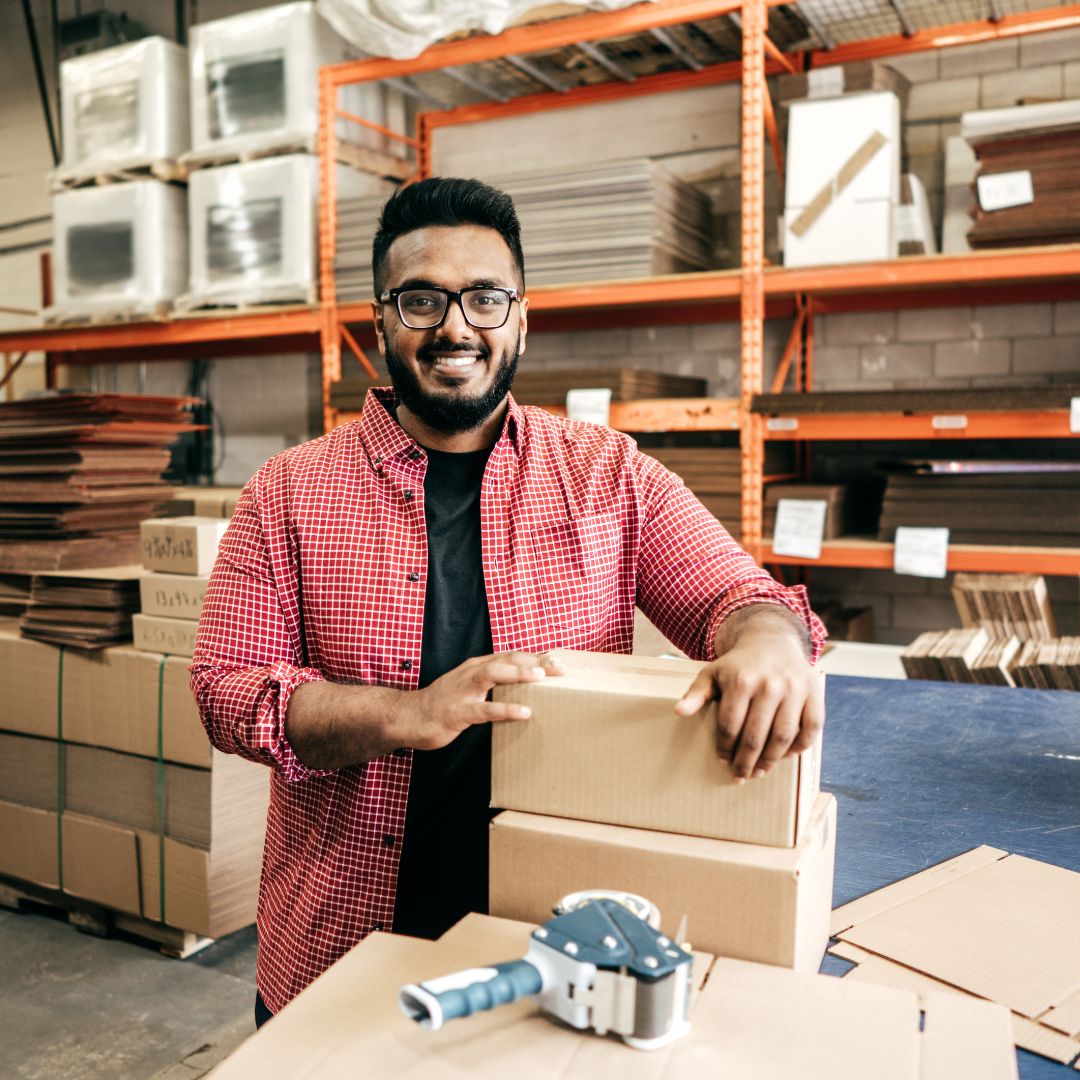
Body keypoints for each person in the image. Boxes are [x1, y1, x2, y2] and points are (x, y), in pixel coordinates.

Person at [190, 177, 826, 1027]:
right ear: (380, 321)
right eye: (421, 300)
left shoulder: (608, 476)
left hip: (550, 954)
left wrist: (771, 644)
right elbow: (224, 690)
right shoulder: (288, 492)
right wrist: (401, 715)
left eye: (485, 298)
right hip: (333, 951)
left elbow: (739, 596)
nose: (456, 326)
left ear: (521, 317)